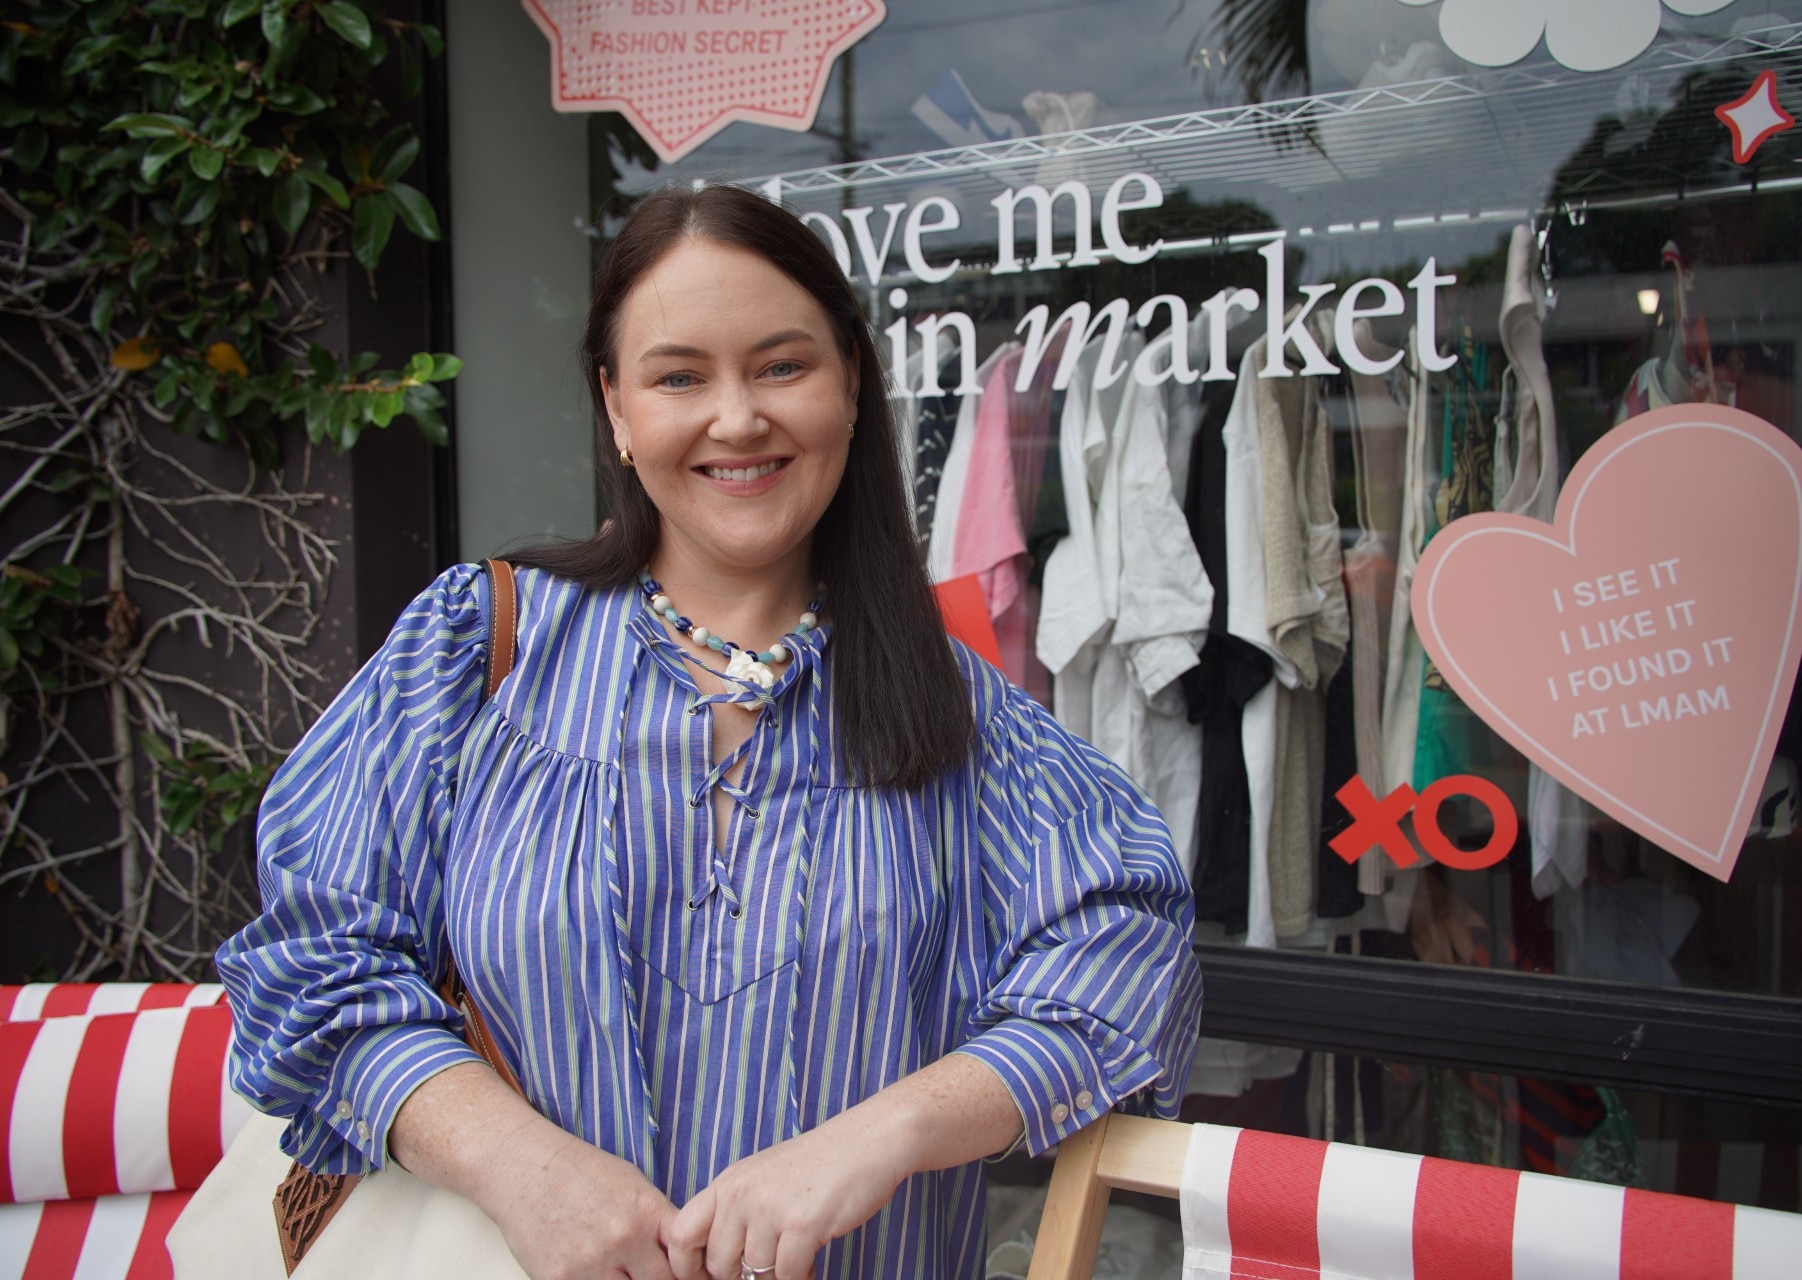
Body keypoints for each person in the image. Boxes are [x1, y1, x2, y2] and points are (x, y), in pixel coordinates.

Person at [216, 183, 1202, 1280]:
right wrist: (512, 1159)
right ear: (617, 409)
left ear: (851, 389)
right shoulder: (475, 650)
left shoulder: (955, 710)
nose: (737, 418)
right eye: (679, 375)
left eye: (782, 365)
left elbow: (1131, 955)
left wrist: (886, 1133)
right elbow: (312, 957)